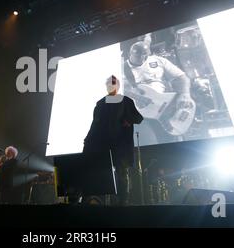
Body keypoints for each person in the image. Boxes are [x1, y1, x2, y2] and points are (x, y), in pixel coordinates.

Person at [83, 75, 143, 205]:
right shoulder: (100, 103)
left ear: (118, 86)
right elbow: (95, 124)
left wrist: (128, 120)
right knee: (103, 173)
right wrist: (88, 138)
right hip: (102, 145)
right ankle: (102, 202)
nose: (111, 85)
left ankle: (123, 202)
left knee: (121, 172)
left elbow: (139, 118)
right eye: (109, 84)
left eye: (113, 83)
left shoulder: (126, 101)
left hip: (120, 145)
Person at [123, 34, 194, 144]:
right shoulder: (121, 69)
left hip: (168, 105)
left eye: (145, 56)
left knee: (175, 143)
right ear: (129, 54)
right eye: (138, 57)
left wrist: (185, 94)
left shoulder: (159, 61)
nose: (142, 59)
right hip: (140, 115)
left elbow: (181, 77)